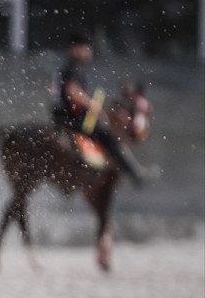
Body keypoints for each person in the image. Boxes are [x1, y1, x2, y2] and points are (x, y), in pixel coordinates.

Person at [50, 29, 149, 184]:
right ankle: (135, 174)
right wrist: (92, 104)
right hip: (72, 118)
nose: (88, 52)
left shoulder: (65, 67)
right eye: (85, 48)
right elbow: (72, 91)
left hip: (61, 116)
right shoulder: (73, 67)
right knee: (108, 138)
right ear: (75, 49)